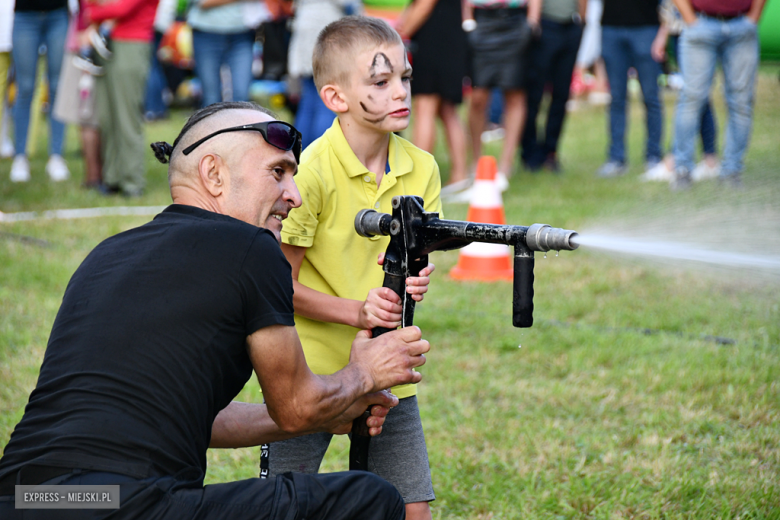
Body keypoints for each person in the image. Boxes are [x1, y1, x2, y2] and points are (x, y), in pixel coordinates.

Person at [0, 100, 430, 520]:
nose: (294, 195)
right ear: (214, 173)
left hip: (24, 499)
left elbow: (188, 416)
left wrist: (332, 408)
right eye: (277, 172)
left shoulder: (105, 255)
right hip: (133, 502)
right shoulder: (251, 247)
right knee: (369, 497)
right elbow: (297, 406)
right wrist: (366, 373)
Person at [271, 16, 441, 520]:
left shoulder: (423, 167)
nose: (400, 91)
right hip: (308, 370)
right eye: (381, 81)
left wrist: (416, 278)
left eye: (405, 78)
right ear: (335, 97)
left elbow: (411, 262)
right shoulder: (310, 171)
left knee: (412, 508)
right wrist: (357, 312)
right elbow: (277, 286)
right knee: (283, 503)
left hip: (390, 366)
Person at [670, 0, 767, 189]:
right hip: (701, 23)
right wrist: (690, 19)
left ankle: (732, 171)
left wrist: (753, 18)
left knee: (741, 101)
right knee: (691, 98)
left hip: (741, 24)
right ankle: (682, 170)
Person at [465, 0, 541, 191]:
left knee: (515, 95)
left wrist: (532, 20)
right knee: (478, 97)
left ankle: (506, 166)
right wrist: (467, 19)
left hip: (515, 21)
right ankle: (477, 163)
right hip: (482, 21)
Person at [85, 0, 158, 197]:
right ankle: (112, 177)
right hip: (109, 43)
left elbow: (122, 7)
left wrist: (92, 13)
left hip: (132, 44)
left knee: (126, 116)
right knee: (108, 116)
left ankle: (132, 181)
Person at [642, 0, 720, 183]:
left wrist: (691, 22)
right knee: (697, 94)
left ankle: (678, 160)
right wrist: (663, 33)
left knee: (693, 95)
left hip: (694, 25)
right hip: (681, 26)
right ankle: (709, 159)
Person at [396, 0, 470, 192]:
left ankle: (419, 180)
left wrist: (396, 38)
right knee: (447, 110)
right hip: (450, 35)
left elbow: (423, 5)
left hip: (434, 39)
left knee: (425, 106)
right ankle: (460, 175)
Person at [596, 0, 665, 178]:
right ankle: (616, 158)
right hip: (612, 28)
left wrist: (662, 33)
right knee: (617, 98)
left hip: (646, 28)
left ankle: (654, 156)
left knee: (651, 98)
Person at [521, 0, 587, 173]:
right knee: (534, 95)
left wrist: (581, 22)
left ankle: (550, 151)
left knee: (561, 94)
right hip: (544, 24)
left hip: (570, 26)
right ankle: (530, 152)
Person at [9, 0, 70, 183]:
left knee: (57, 88)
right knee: (25, 87)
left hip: (58, 13)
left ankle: (57, 156)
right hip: (25, 15)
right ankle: (20, 157)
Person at [287, 0, 358, 150]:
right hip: (326, 26)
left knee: (308, 102)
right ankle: (323, 155)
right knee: (328, 101)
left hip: (305, 24)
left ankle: (299, 157)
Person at [188, 0, 265, 108]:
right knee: (211, 97)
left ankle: (240, 124)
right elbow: (204, 3)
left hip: (242, 34)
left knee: (242, 96)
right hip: (206, 33)